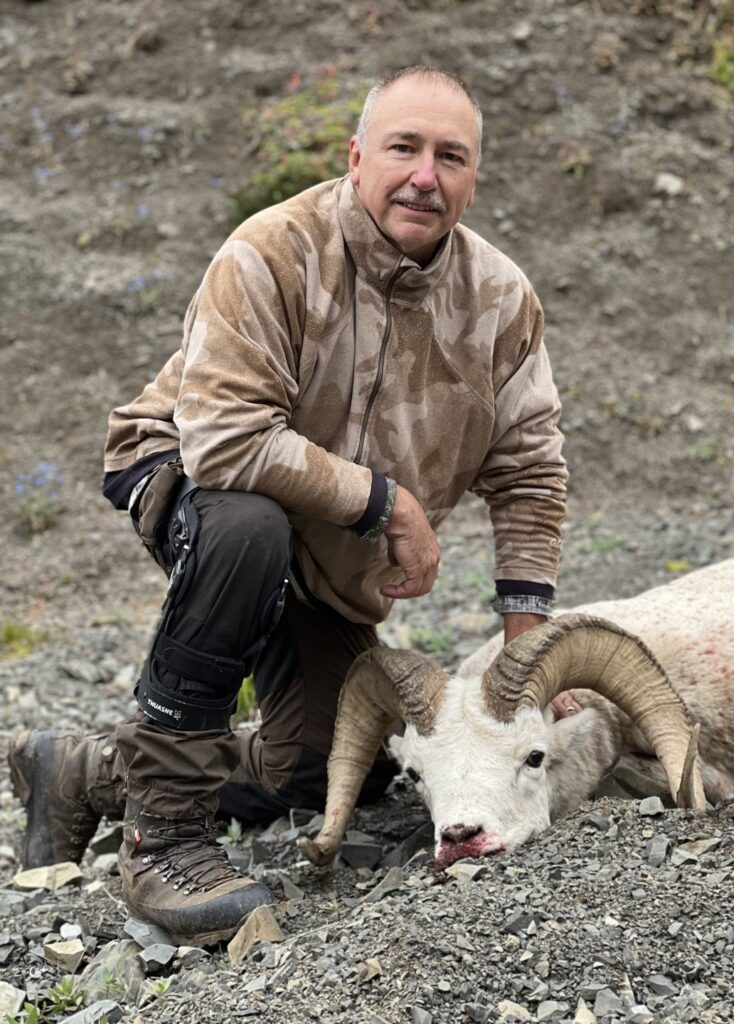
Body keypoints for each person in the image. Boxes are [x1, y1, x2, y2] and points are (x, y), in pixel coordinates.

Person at [10, 66, 568, 945]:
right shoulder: (270, 250)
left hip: (330, 551)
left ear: (472, 178)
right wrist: (392, 505)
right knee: (245, 525)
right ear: (356, 156)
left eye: (450, 157)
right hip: (192, 472)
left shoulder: (502, 301)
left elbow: (532, 469)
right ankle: (165, 840)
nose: (426, 174)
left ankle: (82, 774)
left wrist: (529, 634)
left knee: (326, 763)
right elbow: (226, 441)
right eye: (404, 148)